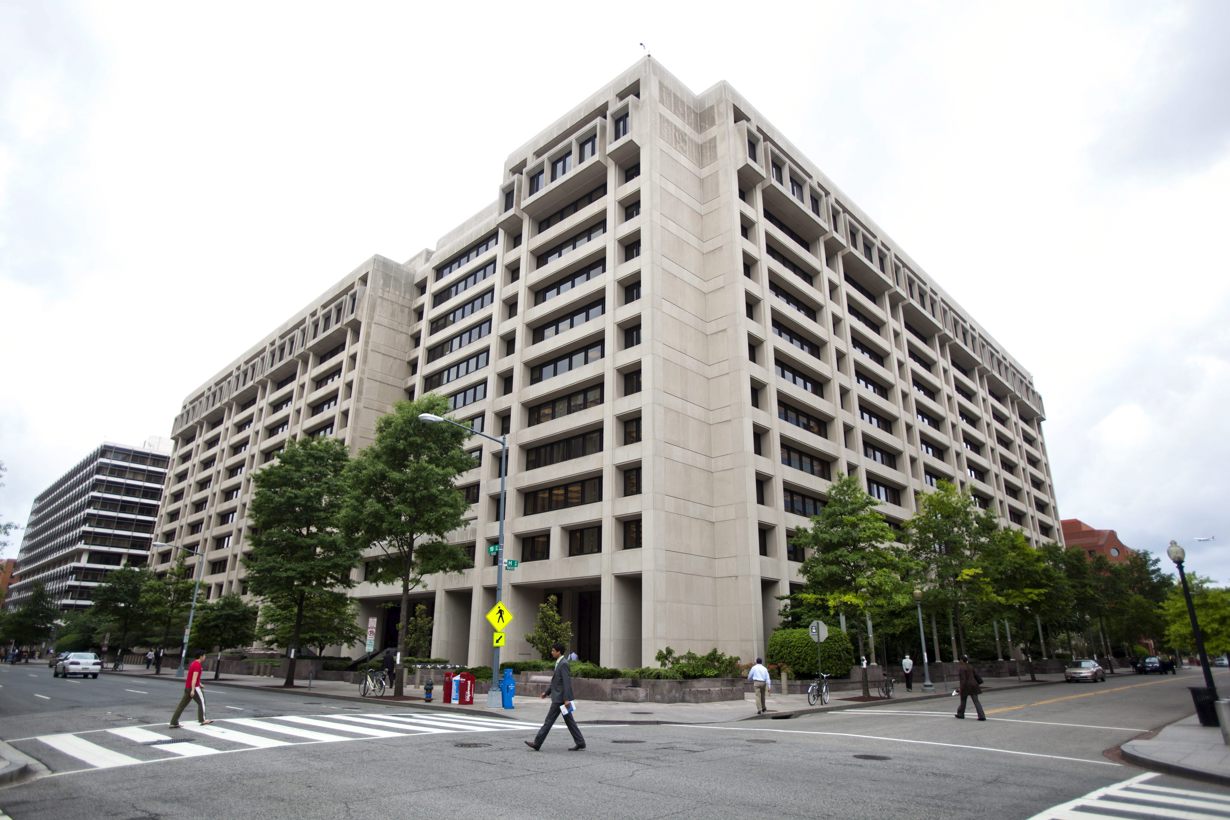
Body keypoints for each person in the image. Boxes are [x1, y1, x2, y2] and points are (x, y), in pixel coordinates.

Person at [525, 642, 585, 751]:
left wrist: (567, 699)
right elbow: (556, 681)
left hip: (560, 699)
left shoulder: (564, 664)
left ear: (559, 652)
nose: (551, 652)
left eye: (553, 650)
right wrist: (547, 692)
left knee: (548, 721)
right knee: (570, 721)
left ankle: (537, 743)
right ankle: (580, 742)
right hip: (560, 698)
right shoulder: (559, 663)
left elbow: (566, 683)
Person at [169, 649, 213, 728]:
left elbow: (193, 677)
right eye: (204, 655)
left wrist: (200, 683)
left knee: (181, 705)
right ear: (201, 656)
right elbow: (194, 679)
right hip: (194, 688)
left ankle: (174, 721)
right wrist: (193, 690)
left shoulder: (193, 663)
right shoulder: (197, 665)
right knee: (202, 702)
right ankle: (202, 720)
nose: (205, 657)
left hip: (188, 687)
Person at [954, 655, 985, 721]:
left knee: (963, 701)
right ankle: (981, 716)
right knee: (976, 701)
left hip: (966, 687)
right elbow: (976, 675)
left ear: (962, 660)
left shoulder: (961, 668)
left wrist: (961, 688)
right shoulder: (970, 666)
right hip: (974, 685)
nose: (959, 661)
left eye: (960, 660)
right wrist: (978, 682)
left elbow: (963, 680)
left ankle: (960, 714)